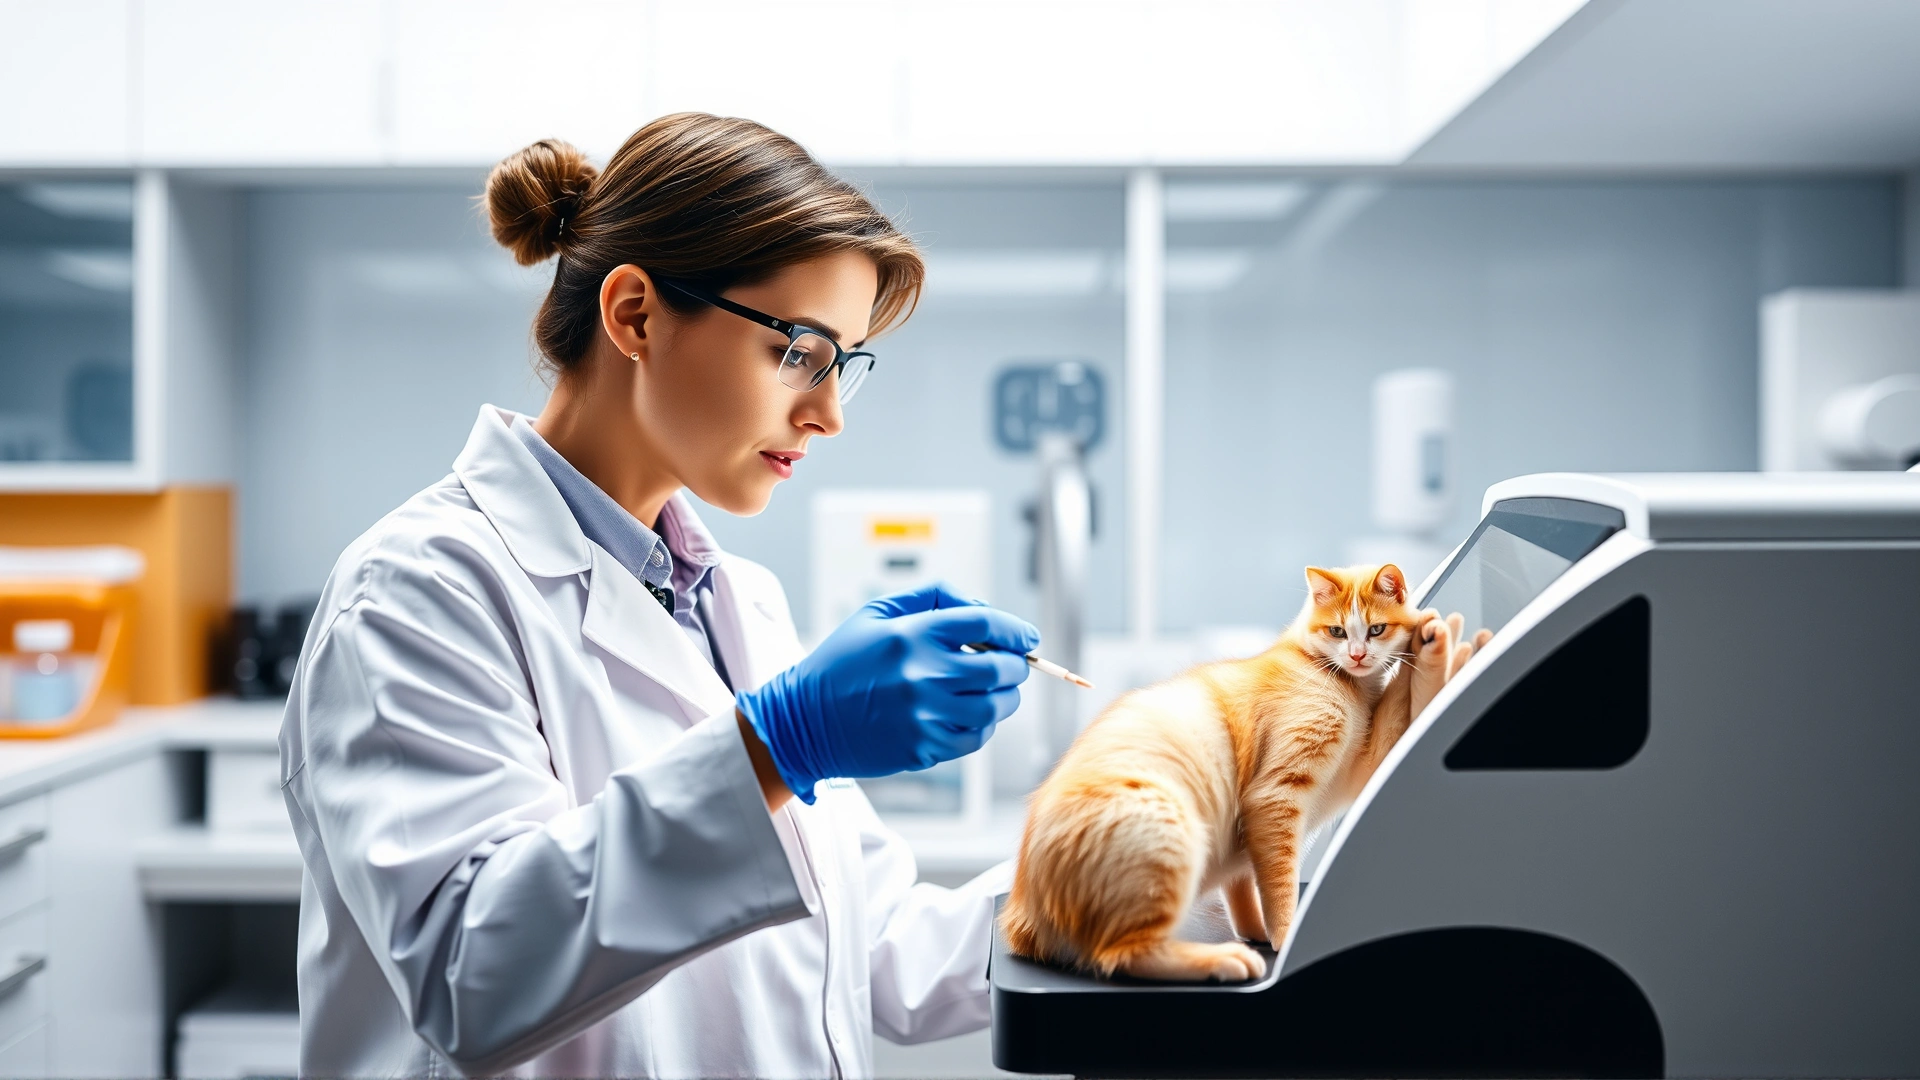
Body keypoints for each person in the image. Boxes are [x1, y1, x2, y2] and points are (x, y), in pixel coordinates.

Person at [278, 113, 1041, 1078]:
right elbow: (471, 972)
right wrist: (777, 744)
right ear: (635, 314)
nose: (828, 412)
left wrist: (1157, 868)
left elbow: (879, 952)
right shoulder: (416, 590)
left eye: (843, 363)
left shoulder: (738, 602)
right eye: (800, 351)